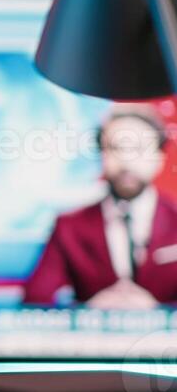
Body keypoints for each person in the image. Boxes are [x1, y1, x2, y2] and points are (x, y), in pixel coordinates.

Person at [22, 104, 177, 307]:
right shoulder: (69, 227)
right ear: (101, 155)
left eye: (139, 149)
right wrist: (90, 313)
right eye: (115, 148)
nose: (127, 161)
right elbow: (34, 302)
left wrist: (158, 312)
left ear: (160, 158)